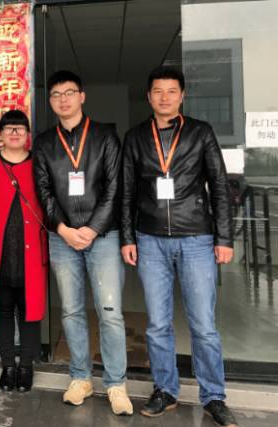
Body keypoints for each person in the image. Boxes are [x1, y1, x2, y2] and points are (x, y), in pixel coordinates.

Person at [121, 66, 238, 427]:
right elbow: (127, 192)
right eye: (158, 91)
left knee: (203, 324)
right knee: (158, 324)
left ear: (182, 95)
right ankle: (165, 390)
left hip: (196, 238)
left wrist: (224, 237)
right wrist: (127, 237)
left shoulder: (201, 132)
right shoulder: (136, 137)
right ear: (149, 97)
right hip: (150, 239)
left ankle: (214, 396)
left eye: (172, 91)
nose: (165, 97)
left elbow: (220, 186)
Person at [33, 70, 132, 415]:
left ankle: (116, 383)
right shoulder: (44, 143)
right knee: (71, 310)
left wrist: (91, 229)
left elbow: (115, 187)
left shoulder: (105, 136)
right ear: (50, 101)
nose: (63, 99)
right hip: (62, 239)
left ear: (82, 97)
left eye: (69, 92)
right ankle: (80, 377)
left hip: (102, 237)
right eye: (56, 94)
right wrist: (62, 228)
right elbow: (43, 191)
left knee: (110, 313)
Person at [0, 110, 47, 393]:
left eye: (20, 129)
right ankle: (8, 366)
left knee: (29, 311)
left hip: (31, 251)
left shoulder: (39, 163)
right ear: (0, 134)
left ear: (28, 135)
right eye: (9, 128)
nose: (14, 133)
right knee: (2, 310)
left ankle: (25, 366)